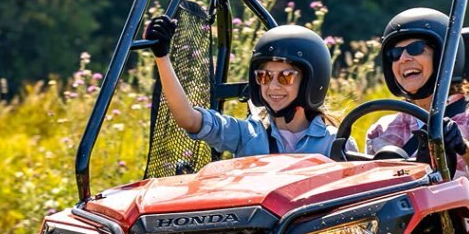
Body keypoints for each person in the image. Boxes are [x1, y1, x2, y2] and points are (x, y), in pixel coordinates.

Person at [143, 15, 354, 157]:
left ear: (311, 81)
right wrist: (162, 57)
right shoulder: (247, 134)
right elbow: (187, 119)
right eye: (263, 76)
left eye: (286, 77)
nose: (272, 86)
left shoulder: (334, 143)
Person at [364, 8, 469, 185]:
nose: (403, 59)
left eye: (415, 49)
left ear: (444, 57)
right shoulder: (381, 129)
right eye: (395, 54)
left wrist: (463, 147)